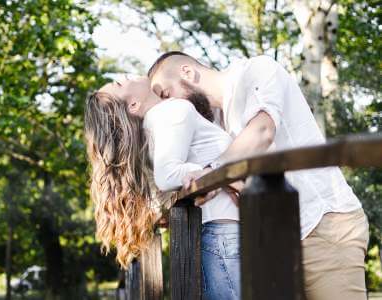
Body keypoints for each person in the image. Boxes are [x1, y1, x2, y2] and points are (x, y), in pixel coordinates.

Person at [148, 51, 369, 300]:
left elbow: (262, 131)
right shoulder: (217, 122)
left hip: (323, 226)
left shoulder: (256, 70)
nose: (170, 105)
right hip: (277, 239)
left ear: (187, 72)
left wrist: (214, 173)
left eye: (166, 94)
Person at [84, 75, 241, 300]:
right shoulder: (172, 112)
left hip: (215, 235)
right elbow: (167, 176)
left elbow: (159, 195)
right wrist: (211, 174)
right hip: (225, 233)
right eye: (119, 84)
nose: (122, 76)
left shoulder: (151, 131)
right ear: (134, 105)